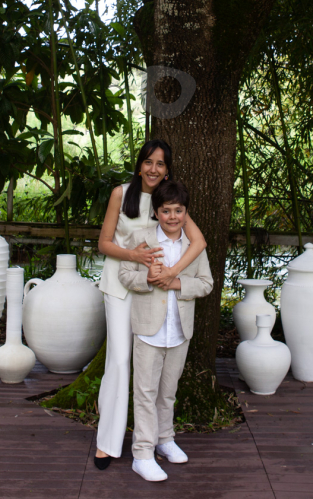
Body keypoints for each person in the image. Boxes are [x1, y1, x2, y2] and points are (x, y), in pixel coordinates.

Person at [94, 140, 207, 469]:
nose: (153, 169)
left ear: (167, 169)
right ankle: (107, 443)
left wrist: (172, 273)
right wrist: (133, 255)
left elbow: (198, 242)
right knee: (119, 361)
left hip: (155, 291)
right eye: (148, 162)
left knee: (155, 370)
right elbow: (104, 243)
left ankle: (158, 438)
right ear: (139, 165)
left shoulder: (168, 201)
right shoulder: (121, 193)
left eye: (160, 163)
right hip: (121, 285)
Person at [118, 180, 213, 482]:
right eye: (166, 211)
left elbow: (206, 283)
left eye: (179, 211)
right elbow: (124, 274)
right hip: (148, 330)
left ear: (186, 213)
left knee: (168, 391)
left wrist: (177, 283)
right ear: (156, 212)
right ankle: (142, 454)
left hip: (179, 330)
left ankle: (165, 439)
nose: (173, 217)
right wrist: (146, 278)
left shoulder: (192, 246)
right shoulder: (142, 238)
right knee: (145, 393)